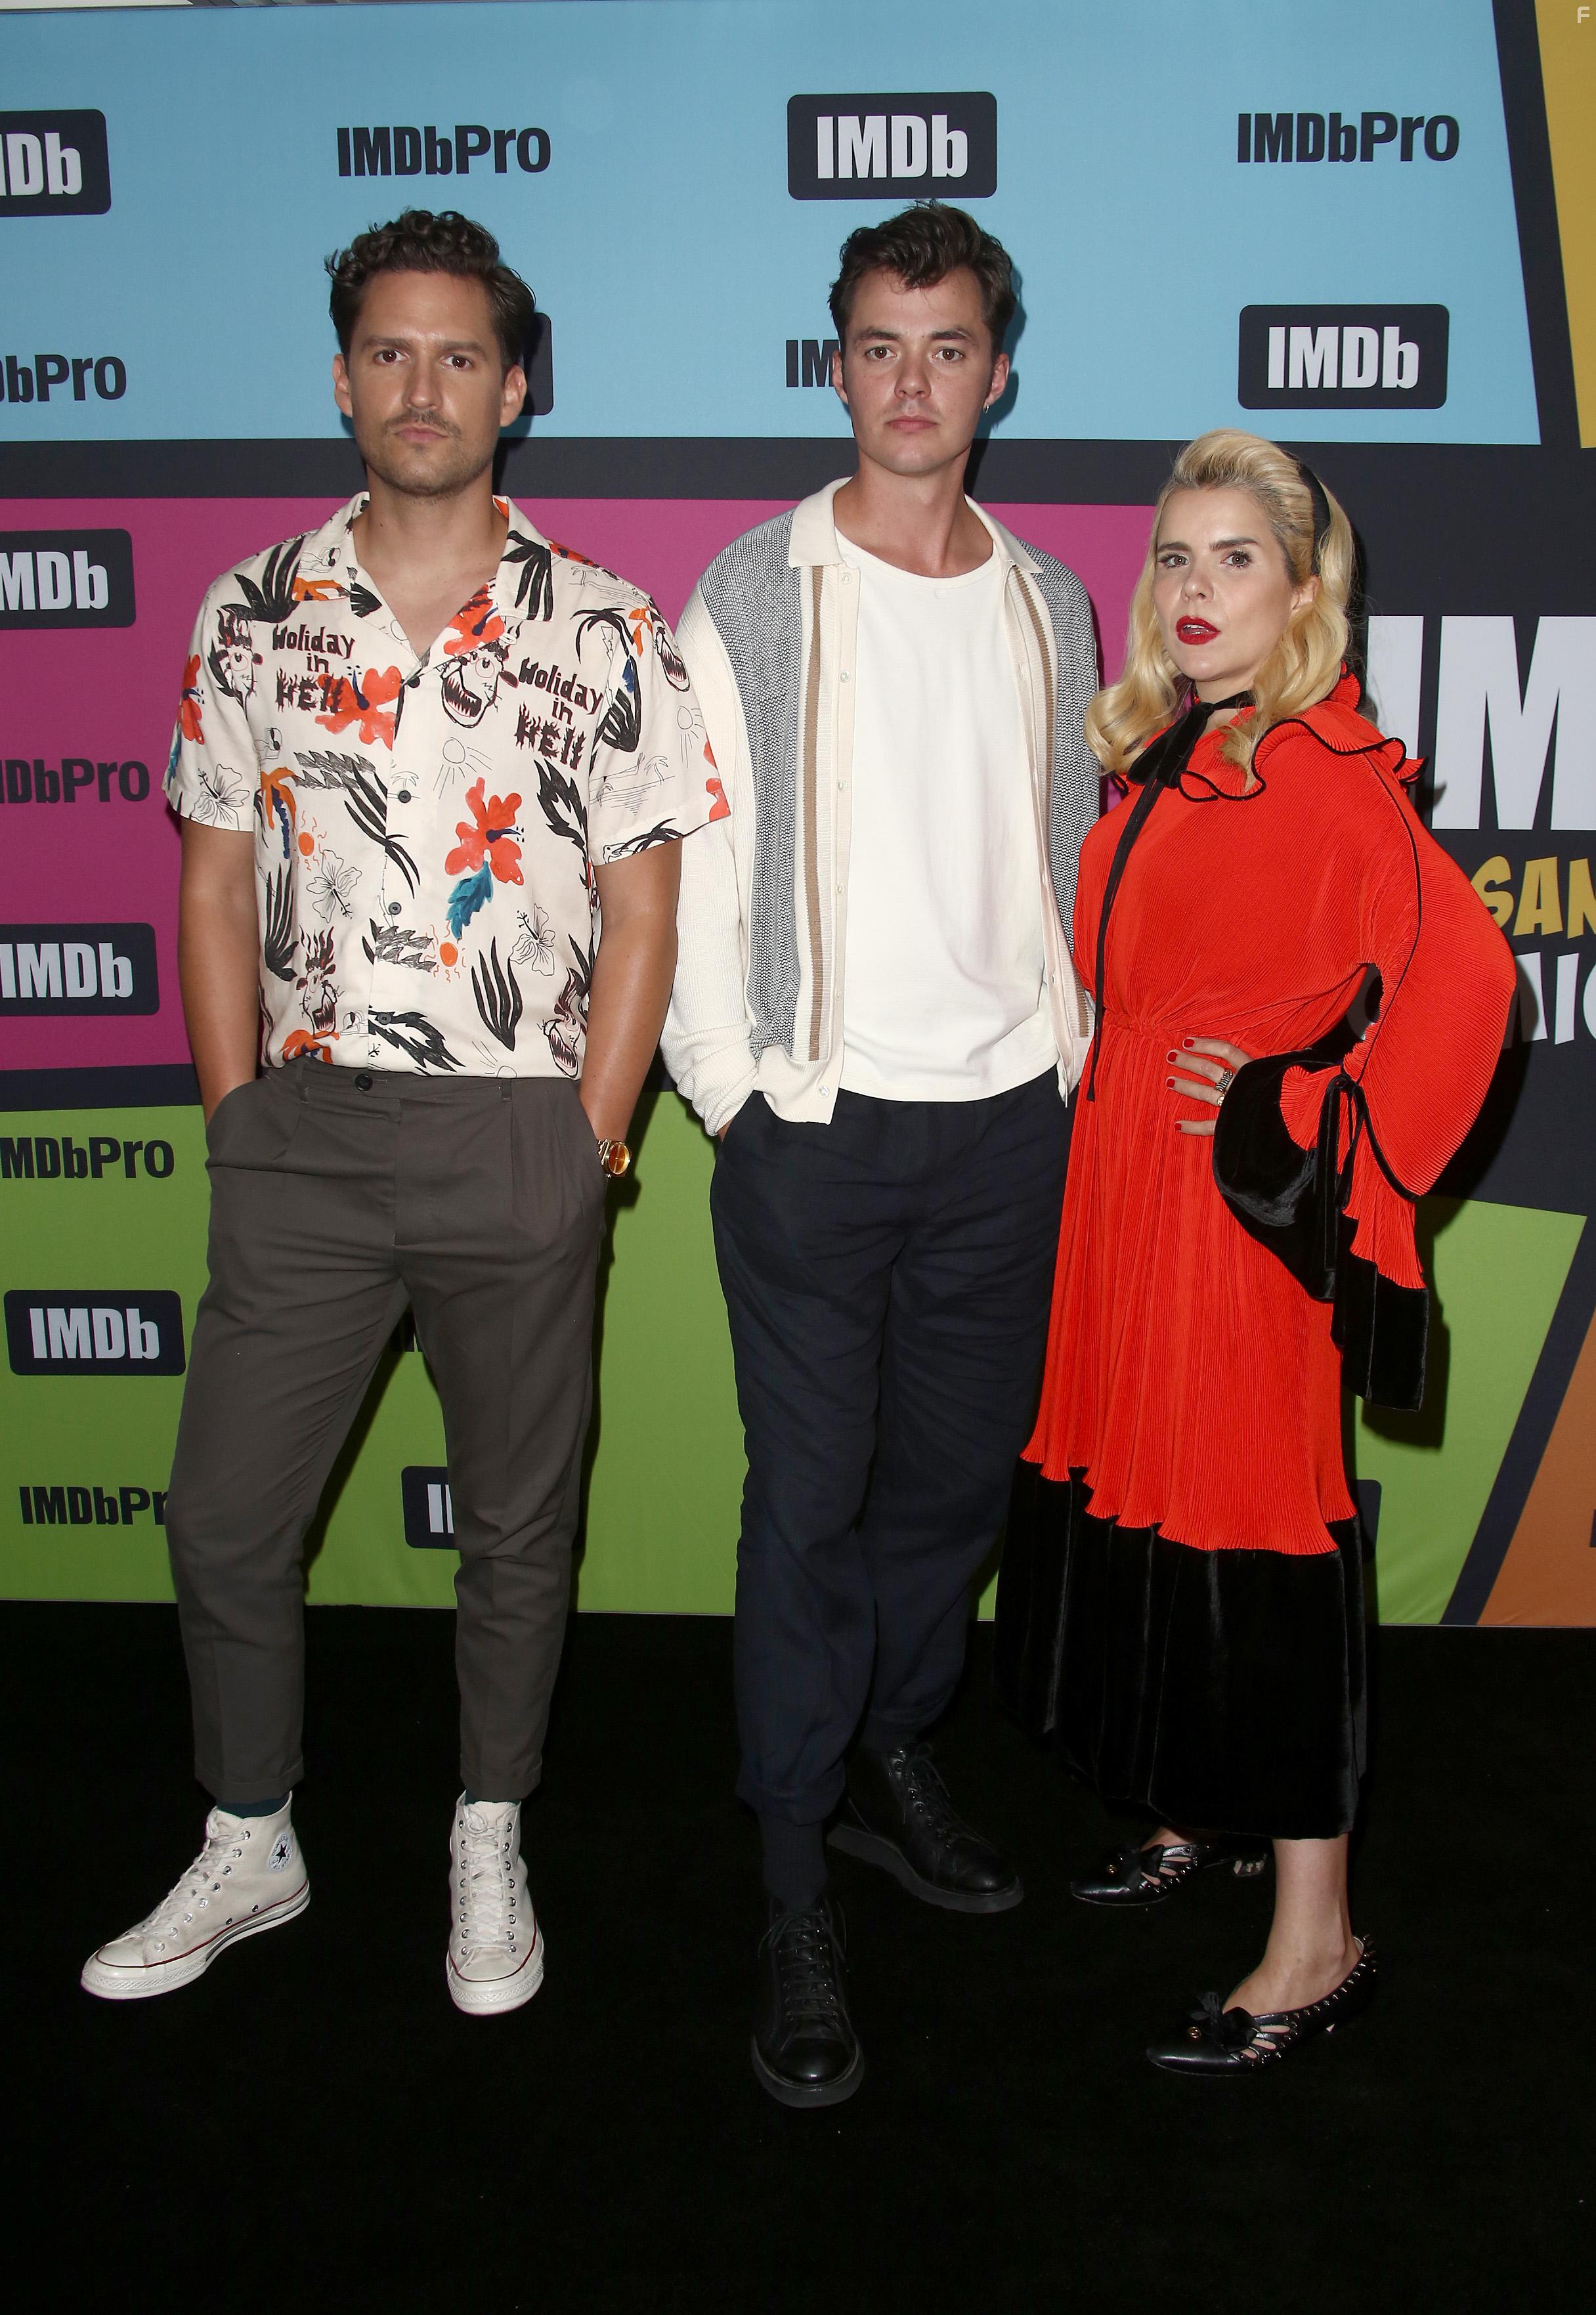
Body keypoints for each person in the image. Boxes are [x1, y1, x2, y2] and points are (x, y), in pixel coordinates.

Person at [81, 209, 718, 2015]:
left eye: (458, 355)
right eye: (388, 350)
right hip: (301, 1133)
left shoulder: (604, 624)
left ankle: (489, 1826)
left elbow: (645, 903)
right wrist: (231, 1116)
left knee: (519, 1522)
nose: (420, 385)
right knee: (221, 1520)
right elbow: (212, 883)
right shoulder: (251, 608)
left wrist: (591, 1135)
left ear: (516, 386)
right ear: (344, 373)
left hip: (522, 1129)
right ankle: (251, 1828)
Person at [994, 429, 1516, 2073]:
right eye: (1171, 555)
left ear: (1303, 591)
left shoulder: (1329, 772)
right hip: (1123, 1213)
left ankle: (1318, 1939)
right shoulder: (1164, 752)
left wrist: (1308, 1105)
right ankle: (1191, 1810)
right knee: (1147, 1511)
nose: (1193, 587)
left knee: (1256, 1541)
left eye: (1233, 558)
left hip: (1231, 1234)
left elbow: (1472, 982)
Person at [662, 202, 1098, 2107]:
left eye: (945, 346)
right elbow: (689, 868)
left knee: (946, 1497)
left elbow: (1075, 849)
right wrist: (738, 1094)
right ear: (833, 363)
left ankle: (893, 1752)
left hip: (1013, 1127)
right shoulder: (750, 594)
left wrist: (1067, 1065)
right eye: (875, 344)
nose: (909, 381)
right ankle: (791, 1871)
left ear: (996, 371)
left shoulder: (1054, 600)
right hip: (818, 1134)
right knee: (809, 1507)